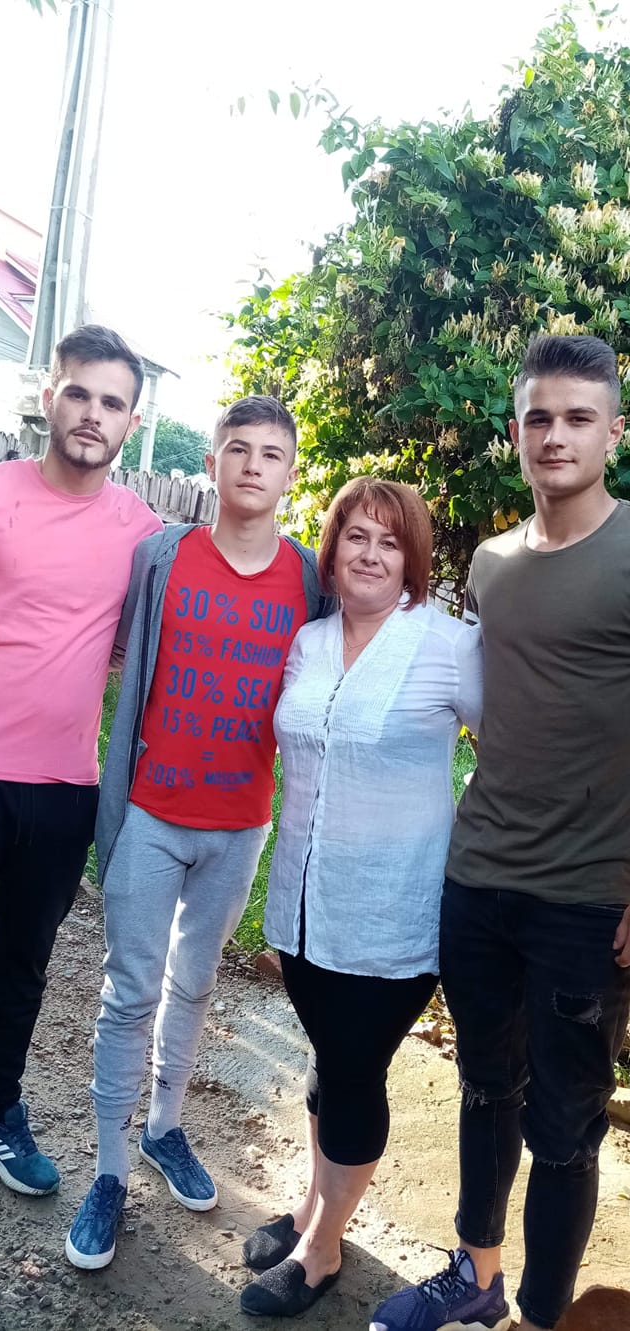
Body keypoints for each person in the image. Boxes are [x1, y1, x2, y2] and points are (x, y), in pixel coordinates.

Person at [371, 334, 630, 1331]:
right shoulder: (492, 562)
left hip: (586, 897)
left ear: (613, 431)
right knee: (485, 1088)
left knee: (565, 1130)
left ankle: (539, 1314)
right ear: (515, 431)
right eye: (538, 417)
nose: (555, 434)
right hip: (478, 878)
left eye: (577, 417)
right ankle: (474, 1275)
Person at [66, 395, 330, 1270]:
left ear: (290, 473)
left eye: (272, 454)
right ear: (212, 464)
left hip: (239, 824)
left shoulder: (309, 578)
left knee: (194, 984)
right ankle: (109, 1171)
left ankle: (165, 1126)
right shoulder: (162, 557)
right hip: (150, 812)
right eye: (238, 449)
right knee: (128, 991)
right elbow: (114, 656)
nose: (254, 464)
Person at [240, 477, 483, 1318]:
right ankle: (314, 1203)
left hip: (393, 915)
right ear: (333, 548)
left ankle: (323, 1248)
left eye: (390, 540)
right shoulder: (308, 642)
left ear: (412, 559)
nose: (372, 553)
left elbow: (515, 748)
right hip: (305, 908)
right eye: (356, 536)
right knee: (325, 1061)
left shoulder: (449, 645)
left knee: (352, 1072)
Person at [0, 325, 162, 1198]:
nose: (94, 414)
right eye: (80, 393)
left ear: (131, 421)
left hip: (64, 789)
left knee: (22, 965)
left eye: (113, 402)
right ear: (49, 396)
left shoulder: (143, 532)